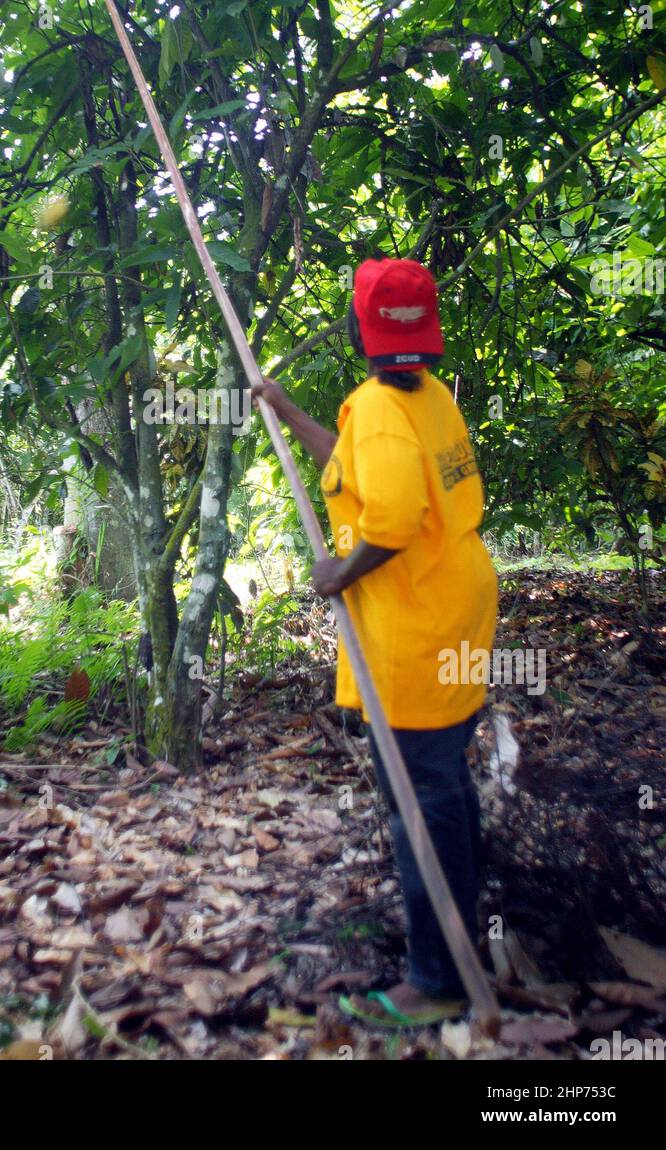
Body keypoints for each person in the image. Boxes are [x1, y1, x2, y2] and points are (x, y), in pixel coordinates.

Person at [251, 256, 497, 1027]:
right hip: (452, 608)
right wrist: (286, 410)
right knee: (443, 787)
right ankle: (464, 950)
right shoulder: (425, 402)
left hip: (414, 624)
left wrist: (339, 571)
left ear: (362, 327)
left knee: (420, 804)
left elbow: (386, 522)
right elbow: (361, 476)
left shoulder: (382, 410)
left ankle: (437, 978)